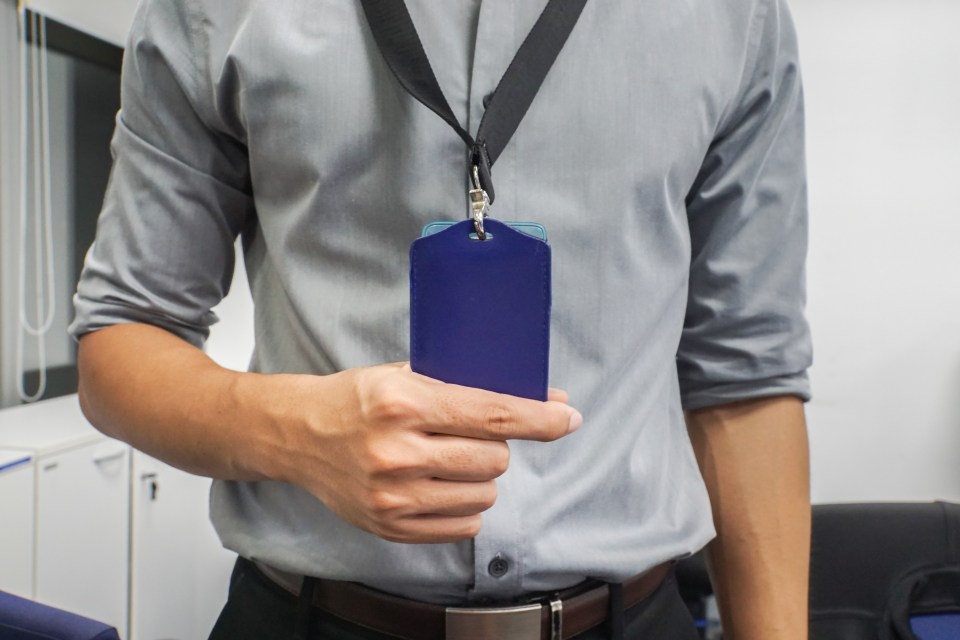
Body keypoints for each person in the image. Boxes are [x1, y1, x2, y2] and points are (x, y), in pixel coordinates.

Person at [70, 1, 813, 638]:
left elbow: (748, 375)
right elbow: (123, 337)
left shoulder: (735, 16)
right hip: (311, 619)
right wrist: (299, 433)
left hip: (634, 617)